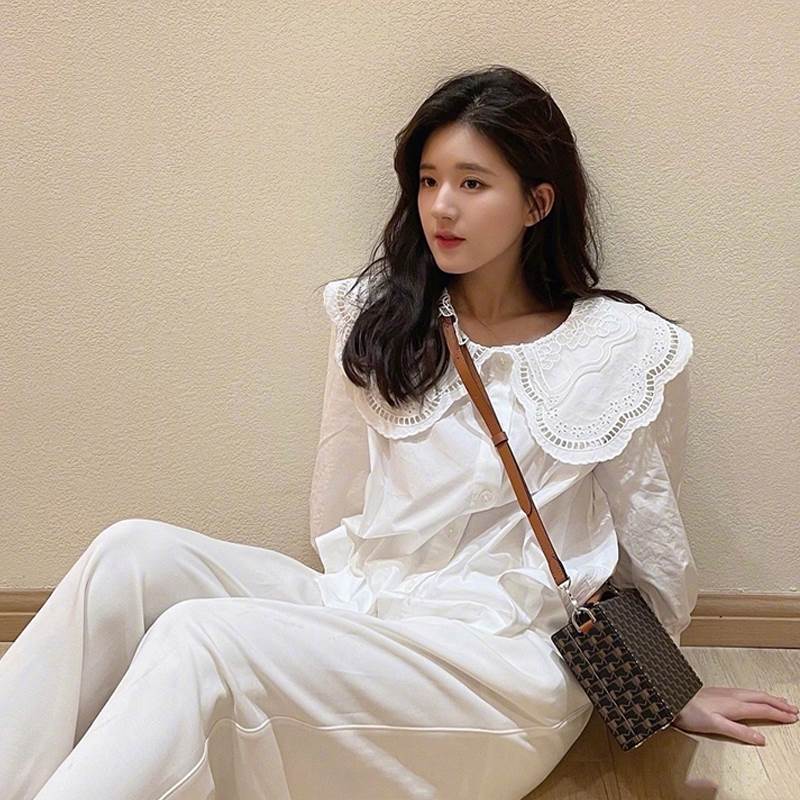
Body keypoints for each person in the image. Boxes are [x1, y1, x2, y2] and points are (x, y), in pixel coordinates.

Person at [1, 65, 796, 800]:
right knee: (129, 555)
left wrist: (668, 683)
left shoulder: (619, 348)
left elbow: (650, 540)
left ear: (537, 203)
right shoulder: (383, 320)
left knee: (203, 639)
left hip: (503, 664)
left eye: (472, 183)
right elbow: (337, 504)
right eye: (428, 180)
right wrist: (334, 629)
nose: (441, 205)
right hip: (371, 609)